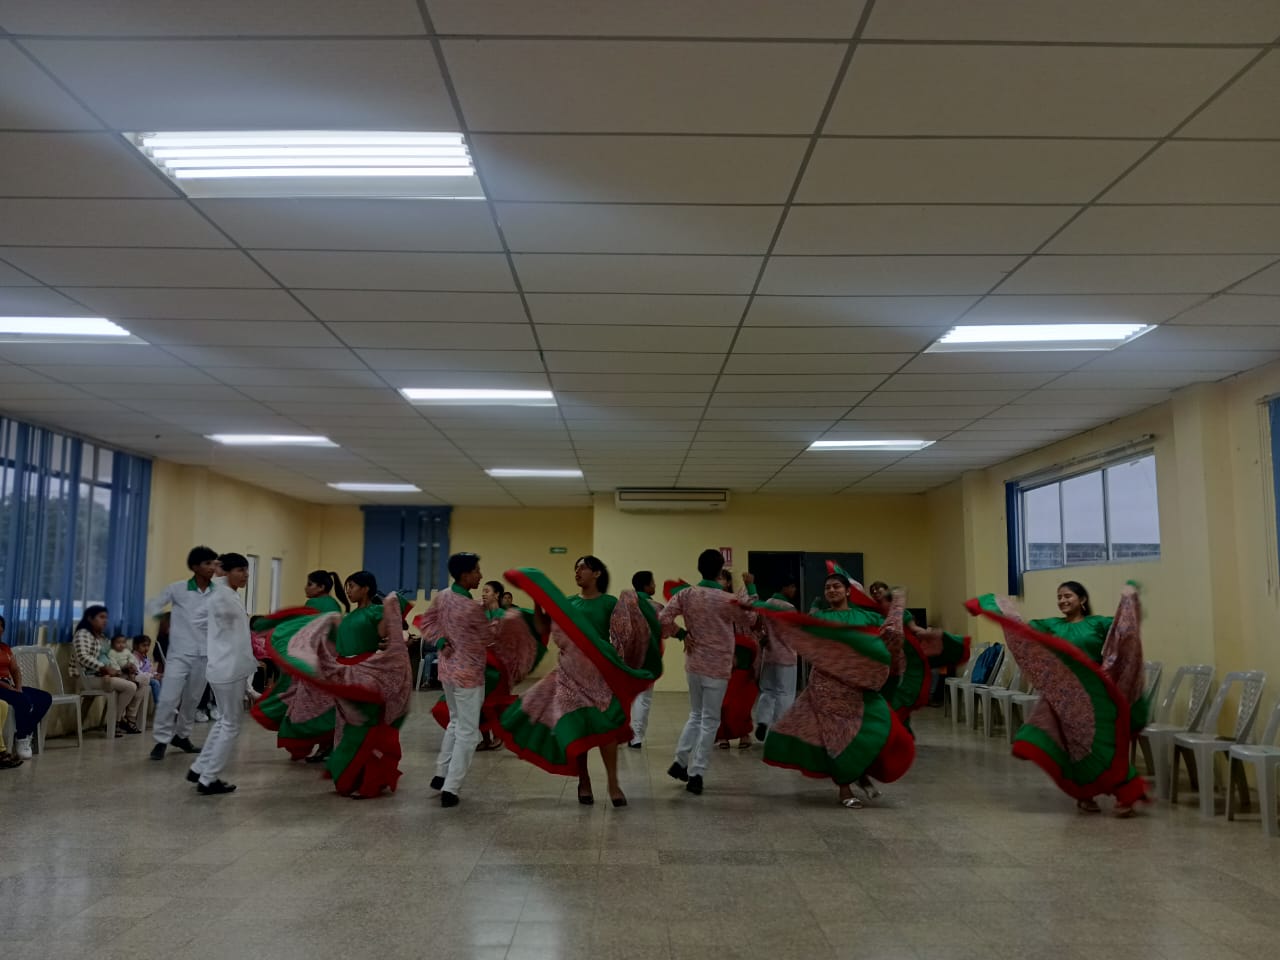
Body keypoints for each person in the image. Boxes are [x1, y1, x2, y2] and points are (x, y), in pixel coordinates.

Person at [966, 580, 1148, 817]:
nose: (1062, 601)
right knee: (1075, 749)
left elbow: (1123, 633)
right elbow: (1022, 631)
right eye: (1059, 597)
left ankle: (1127, 793)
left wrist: (1128, 599)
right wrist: (998, 607)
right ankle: (1085, 794)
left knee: (1105, 744)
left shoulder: (1098, 623)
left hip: (1094, 694)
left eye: (1068, 596)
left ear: (1082, 600)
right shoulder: (1051, 625)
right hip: (1062, 697)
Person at [499, 558, 663, 807]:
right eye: (575, 567)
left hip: (598, 676)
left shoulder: (608, 603)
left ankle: (613, 783)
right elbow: (543, 628)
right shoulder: (568, 603)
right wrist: (539, 600)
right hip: (569, 675)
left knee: (606, 726)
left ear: (597, 573)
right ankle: (584, 781)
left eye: (583, 567)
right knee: (577, 728)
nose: (577, 571)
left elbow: (624, 634)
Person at [757, 572, 916, 808]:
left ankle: (858, 772)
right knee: (837, 735)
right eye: (828, 587)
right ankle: (845, 788)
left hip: (857, 685)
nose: (831, 590)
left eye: (836, 587)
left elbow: (890, 635)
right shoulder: (819, 618)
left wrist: (897, 605)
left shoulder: (866, 617)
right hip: (827, 684)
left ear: (848, 591)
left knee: (876, 727)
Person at [262, 571, 414, 798]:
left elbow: (391, 632)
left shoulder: (375, 612)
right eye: (348, 586)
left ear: (366, 588)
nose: (349, 590)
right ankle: (354, 777)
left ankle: (368, 781)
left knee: (362, 727)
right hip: (344, 674)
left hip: (365, 675)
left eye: (353, 586)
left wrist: (393, 605)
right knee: (346, 728)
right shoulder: (349, 616)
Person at [422, 555, 540, 807]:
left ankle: (441, 774)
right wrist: (498, 613)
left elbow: (428, 621)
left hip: (447, 671)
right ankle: (451, 788)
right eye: (476, 571)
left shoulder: (444, 596)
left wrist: (440, 640)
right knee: (468, 732)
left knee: (455, 722)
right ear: (465, 575)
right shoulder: (472, 608)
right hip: (469, 675)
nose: (480, 575)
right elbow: (489, 637)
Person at [659, 549, 758, 796]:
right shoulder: (726, 599)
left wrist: (682, 634)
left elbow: (662, 619)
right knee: (710, 720)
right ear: (720, 570)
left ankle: (680, 761)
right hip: (718, 666)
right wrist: (751, 588)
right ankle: (697, 773)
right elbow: (751, 619)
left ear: (699, 568)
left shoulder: (686, 594)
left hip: (694, 664)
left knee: (695, 715)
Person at [251, 571, 350, 762]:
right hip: (328, 663)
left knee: (305, 707)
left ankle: (317, 746)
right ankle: (326, 745)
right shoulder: (333, 604)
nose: (306, 587)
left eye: (310, 584)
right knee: (323, 707)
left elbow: (304, 633)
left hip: (314, 664)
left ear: (321, 587)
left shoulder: (315, 604)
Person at [186, 553, 256, 795]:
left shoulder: (224, 594)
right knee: (231, 725)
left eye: (246, 569)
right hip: (229, 668)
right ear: (225, 571)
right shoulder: (222, 595)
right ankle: (209, 778)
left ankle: (199, 768)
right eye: (240, 570)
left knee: (224, 720)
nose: (246, 575)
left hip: (222, 667)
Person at [148, 546, 217, 760]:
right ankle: (161, 740)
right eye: (207, 563)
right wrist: (163, 618)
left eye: (214, 563)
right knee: (168, 698)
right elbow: (153, 605)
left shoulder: (219, 593)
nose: (212, 568)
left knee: (192, 699)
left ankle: (182, 736)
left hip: (205, 654)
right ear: (195, 567)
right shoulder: (177, 589)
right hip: (179, 653)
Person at [70, 606, 146, 737]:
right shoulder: (82, 634)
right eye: (101, 617)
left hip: (104, 675)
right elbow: (82, 656)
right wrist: (103, 668)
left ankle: (128, 718)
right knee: (130, 687)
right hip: (89, 677)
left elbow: (109, 656)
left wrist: (124, 667)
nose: (105, 621)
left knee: (143, 681)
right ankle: (114, 722)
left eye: (106, 617)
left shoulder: (102, 637)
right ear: (90, 618)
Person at [0, 615, 54, 762]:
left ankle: (24, 731)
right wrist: (11, 689)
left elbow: (15, 670)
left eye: (1, 626)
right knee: (23, 700)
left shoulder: (5, 648)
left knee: (44, 698)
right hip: (1, 688)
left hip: (10, 686)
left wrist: (17, 687)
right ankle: (23, 739)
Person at [753, 576, 799, 742]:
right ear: (784, 587)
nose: (794, 590)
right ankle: (779, 730)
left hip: (770, 655)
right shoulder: (788, 608)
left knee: (767, 691)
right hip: (786, 656)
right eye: (792, 586)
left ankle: (763, 721)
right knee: (785, 694)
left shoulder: (766, 604)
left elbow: (758, 627)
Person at [627, 570, 663, 749]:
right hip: (649, 659)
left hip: (627, 657)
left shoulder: (626, 605)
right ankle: (636, 737)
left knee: (625, 696)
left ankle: (620, 733)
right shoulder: (657, 607)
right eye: (653, 582)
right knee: (643, 698)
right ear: (647, 586)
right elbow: (666, 629)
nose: (655, 585)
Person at [132, 635, 162, 706]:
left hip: (148, 677)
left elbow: (150, 670)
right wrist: (153, 676)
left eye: (148, 645)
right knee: (155, 682)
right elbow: (138, 672)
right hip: (139, 678)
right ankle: (159, 705)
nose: (146, 648)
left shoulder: (145, 657)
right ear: (136, 646)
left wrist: (156, 674)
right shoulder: (134, 657)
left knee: (163, 680)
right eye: (144, 645)